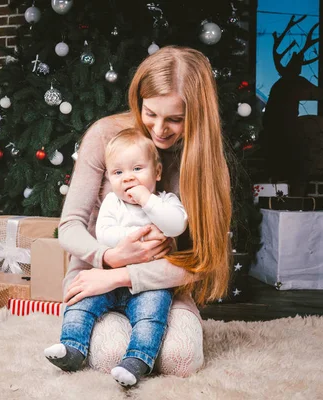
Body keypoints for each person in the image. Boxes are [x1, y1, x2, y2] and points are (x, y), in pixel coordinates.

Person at [56, 45, 232, 378]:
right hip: (95, 282)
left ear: (197, 115)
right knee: (109, 357)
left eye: (175, 119)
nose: (159, 128)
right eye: (150, 112)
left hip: (163, 286)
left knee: (180, 360)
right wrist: (108, 257)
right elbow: (69, 227)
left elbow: (203, 261)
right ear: (139, 100)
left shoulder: (206, 164)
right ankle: (80, 329)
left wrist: (122, 274)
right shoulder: (105, 137)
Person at [44, 129, 188, 387]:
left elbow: (176, 226)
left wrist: (147, 200)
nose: (128, 178)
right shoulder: (113, 203)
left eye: (137, 169)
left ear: (157, 172)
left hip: (149, 285)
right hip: (107, 280)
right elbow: (105, 235)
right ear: (109, 178)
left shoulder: (166, 201)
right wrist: (140, 238)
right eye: (118, 173)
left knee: (152, 316)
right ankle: (72, 347)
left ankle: (137, 360)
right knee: (81, 302)